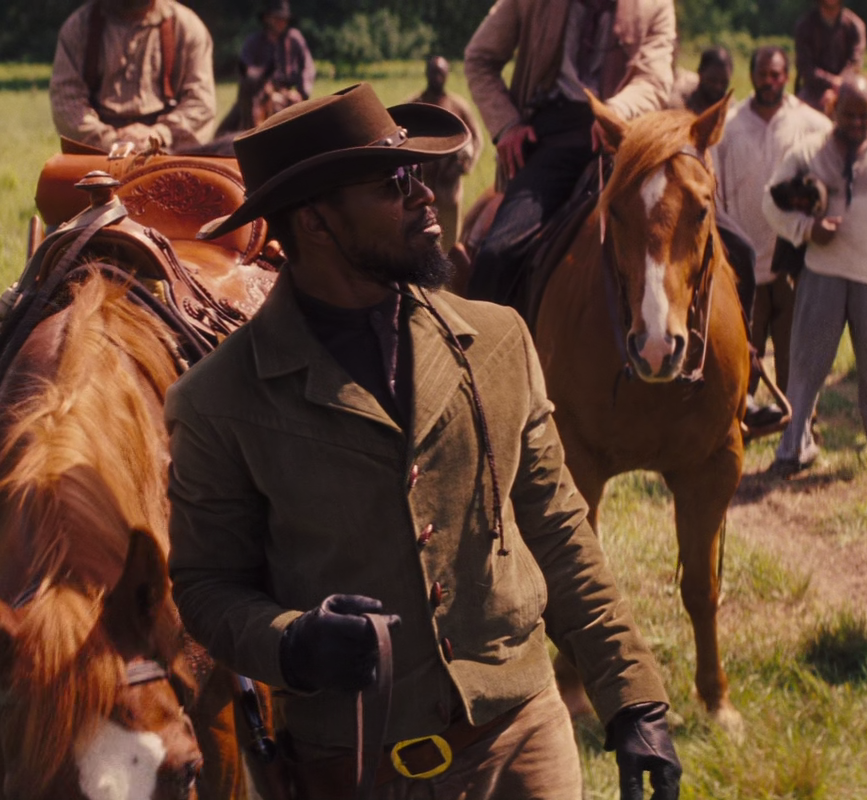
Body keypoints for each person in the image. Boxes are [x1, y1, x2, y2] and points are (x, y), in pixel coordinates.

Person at [173, 85, 681, 800]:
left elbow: (559, 530)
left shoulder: (498, 340)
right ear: (315, 222)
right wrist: (290, 641)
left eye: (415, 173)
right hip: (354, 771)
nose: (425, 195)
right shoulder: (219, 400)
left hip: (524, 744)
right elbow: (205, 586)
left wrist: (633, 697)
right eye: (391, 185)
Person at [462, 0, 677, 310]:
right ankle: (482, 338)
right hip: (554, 135)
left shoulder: (655, 5)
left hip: (627, 137)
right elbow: (480, 58)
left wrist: (615, 111)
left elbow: (654, 79)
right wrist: (507, 124)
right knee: (498, 254)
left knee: (730, 244)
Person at [764, 75, 867, 473]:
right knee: (806, 365)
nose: (856, 123)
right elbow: (771, 201)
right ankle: (794, 447)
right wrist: (807, 230)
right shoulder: (809, 151)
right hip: (822, 274)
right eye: (849, 115)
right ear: (834, 111)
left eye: (864, 116)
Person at [710, 46, 832, 433]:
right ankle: (739, 427)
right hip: (742, 264)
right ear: (751, 75)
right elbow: (714, 193)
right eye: (762, 74)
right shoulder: (728, 126)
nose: (769, 82)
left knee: (796, 350)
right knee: (741, 350)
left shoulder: (812, 124)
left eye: (776, 74)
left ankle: (799, 428)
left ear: (787, 76)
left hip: (792, 260)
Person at [49, 0, 216, 152]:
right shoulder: (79, 27)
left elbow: (201, 103)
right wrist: (111, 140)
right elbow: (66, 101)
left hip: (168, 152)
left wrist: (159, 133)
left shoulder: (186, 27)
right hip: (98, 153)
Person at [408, 56, 485, 253]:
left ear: (447, 74)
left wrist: (463, 166)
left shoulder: (458, 106)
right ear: (426, 73)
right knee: (421, 241)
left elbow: (476, 139)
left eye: (441, 73)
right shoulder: (414, 105)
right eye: (433, 72)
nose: (437, 77)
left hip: (449, 189)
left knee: (450, 243)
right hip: (421, 188)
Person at [227, 0, 317, 132]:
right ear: (266, 18)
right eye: (277, 18)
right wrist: (264, 87)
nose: (281, 22)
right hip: (258, 95)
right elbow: (245, 70)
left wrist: (301, 93)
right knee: (229, 126)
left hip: (288, 96)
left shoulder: (294, 39)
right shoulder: (253, 42)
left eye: (284, 19)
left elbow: (308, 68)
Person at [792, 0, 865, 110]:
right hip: (813, 90)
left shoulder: (855, 25)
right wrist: (831, 82)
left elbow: (855, 62)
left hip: (848, 87)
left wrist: (840, 85)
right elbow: (805, 66)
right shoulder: (804, 25)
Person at [670, 46, 732, 114]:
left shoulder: (731, 110)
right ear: (700, 72)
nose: (718, 87)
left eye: (724, 82)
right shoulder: (679, 104)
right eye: (712, 80)